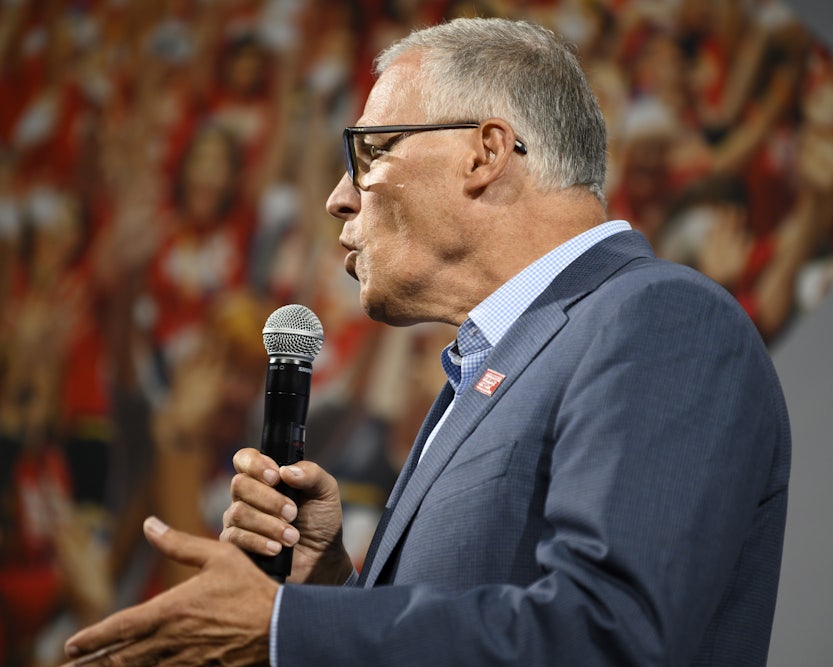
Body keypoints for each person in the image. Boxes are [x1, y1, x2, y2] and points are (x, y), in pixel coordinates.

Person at [62, 17, 790, 666]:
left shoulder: (659, 319)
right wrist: (332, 588)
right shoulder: (490, 364)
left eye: (371, 152)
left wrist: (289, 629)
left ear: (483, 154)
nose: (338, 197)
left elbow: (609, 639)